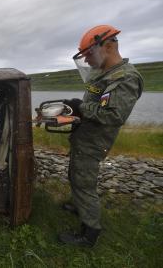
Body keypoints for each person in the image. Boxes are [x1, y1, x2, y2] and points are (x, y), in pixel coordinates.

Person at [58, 25, 143, 247]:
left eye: (89, 55)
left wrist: (81, 108)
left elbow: (114, 115)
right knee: (76, 174)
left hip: (95, 140)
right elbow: (96, 101)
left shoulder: (126, 78)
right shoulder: (102, 73)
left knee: (84, 182)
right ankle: (80, 207)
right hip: (84, 134)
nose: (86, 61)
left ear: (108, 46)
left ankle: (89, 233)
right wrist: (76, 108)